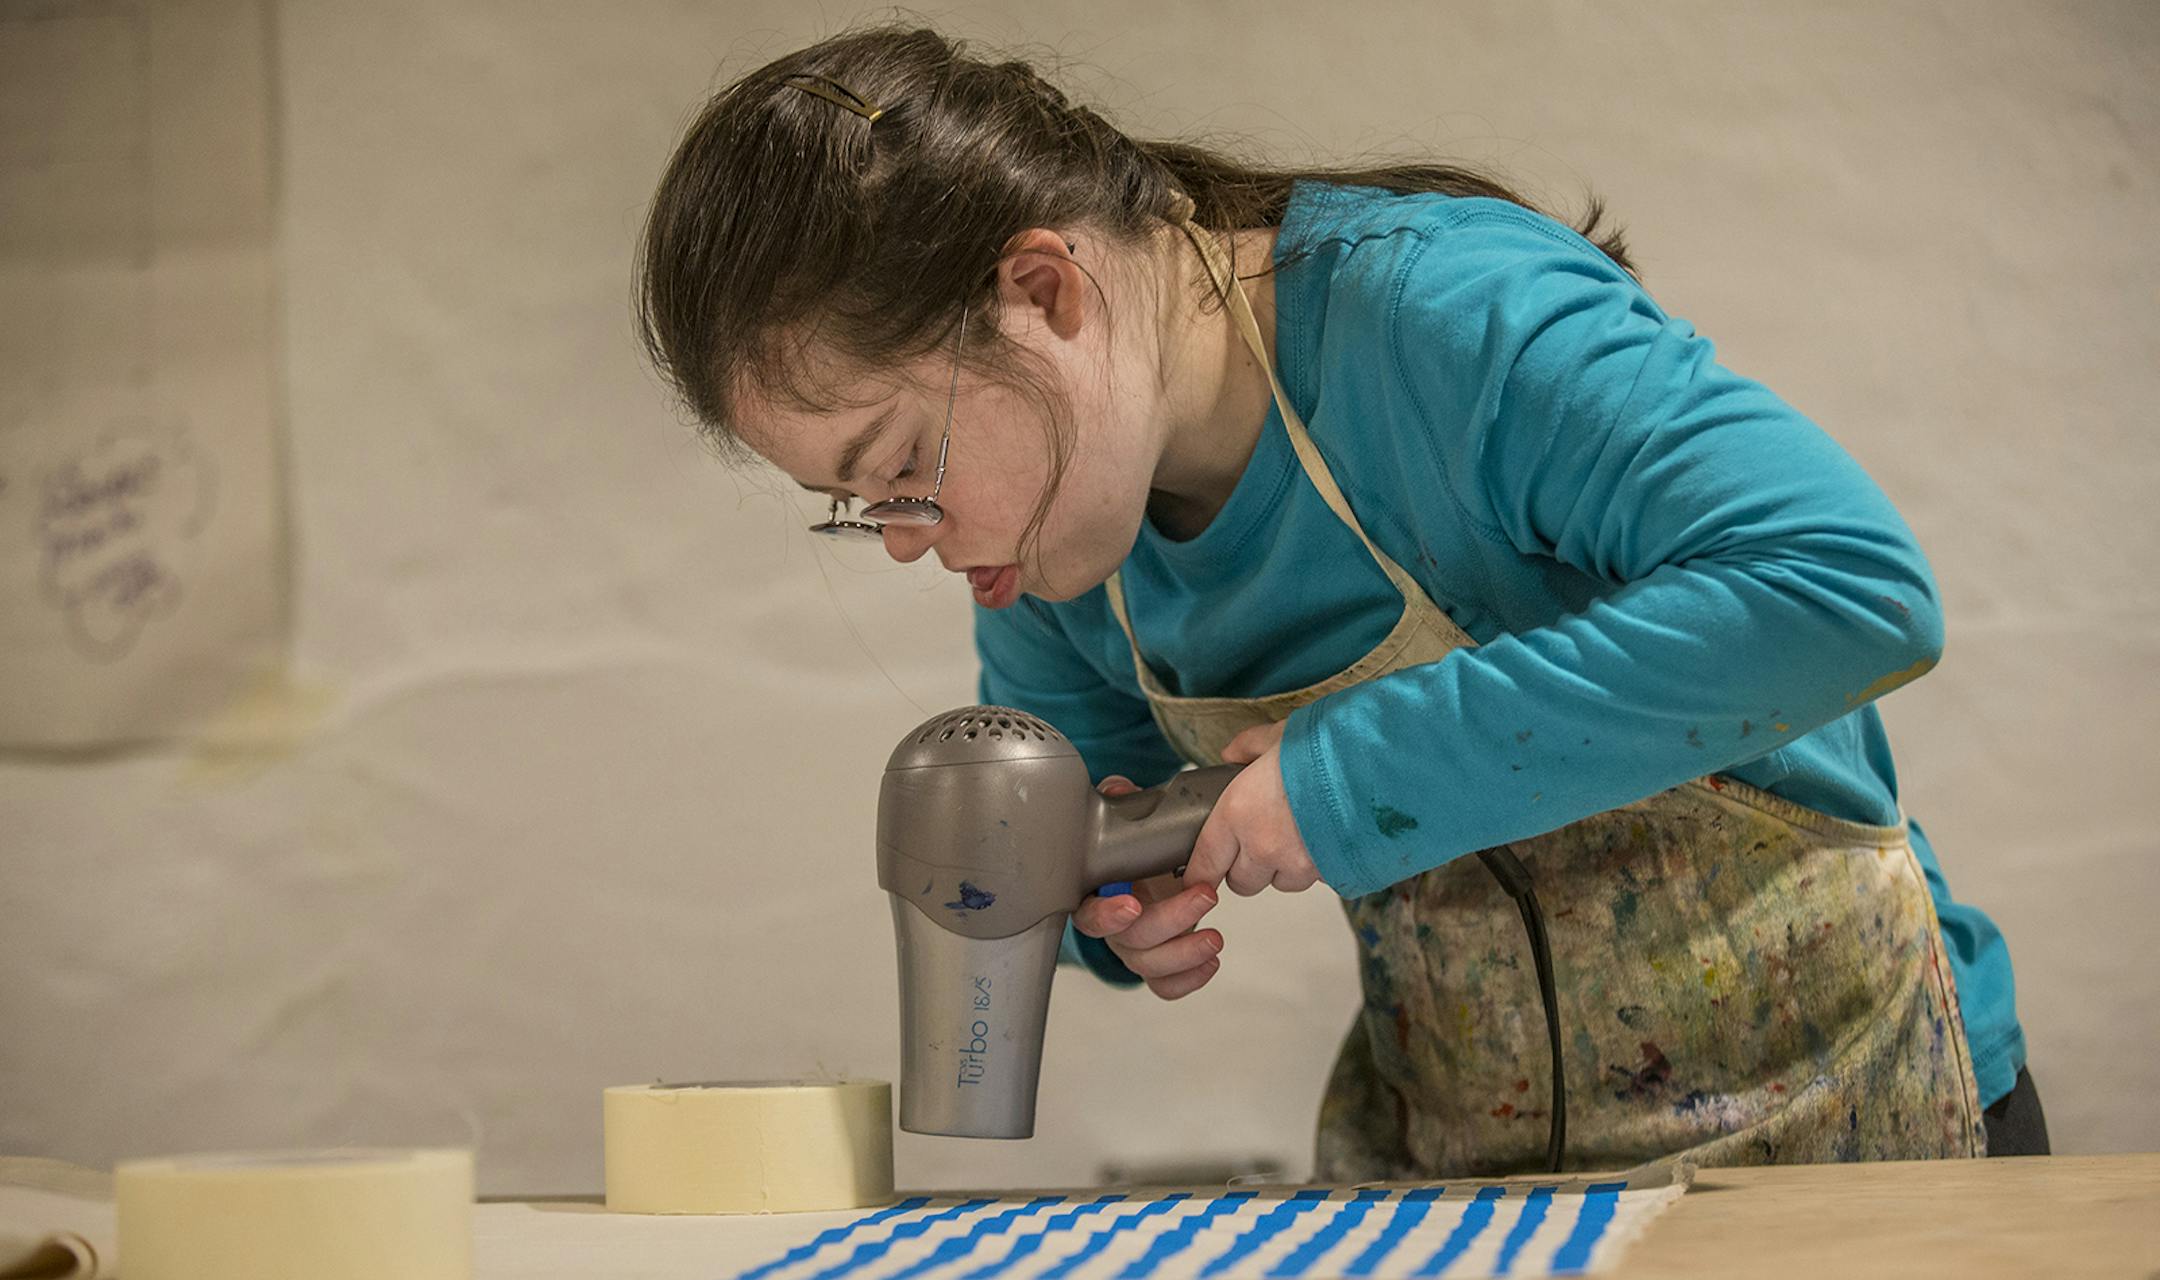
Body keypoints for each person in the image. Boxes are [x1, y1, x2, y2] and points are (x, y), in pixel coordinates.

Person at [636, 24, 2047, 1177]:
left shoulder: (1444, 320)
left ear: (1047, 292)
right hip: (1474, 1176)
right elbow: (1070, 859)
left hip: (1846, 1119)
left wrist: (1357, 777)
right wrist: (1108, 904)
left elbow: (1846, 586)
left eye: (904, 466)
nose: (908, 541)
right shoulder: (1056, 551)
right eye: (859, 506)